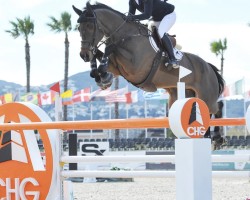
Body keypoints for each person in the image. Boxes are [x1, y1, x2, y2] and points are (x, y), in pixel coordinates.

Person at [126, 0, 178, 68]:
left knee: (160, 32)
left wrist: (132, 17)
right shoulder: (132, 1)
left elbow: (147, 15)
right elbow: (130, 16)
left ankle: (173, 59)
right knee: (148, 34)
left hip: (169, 15)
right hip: (157, 18)